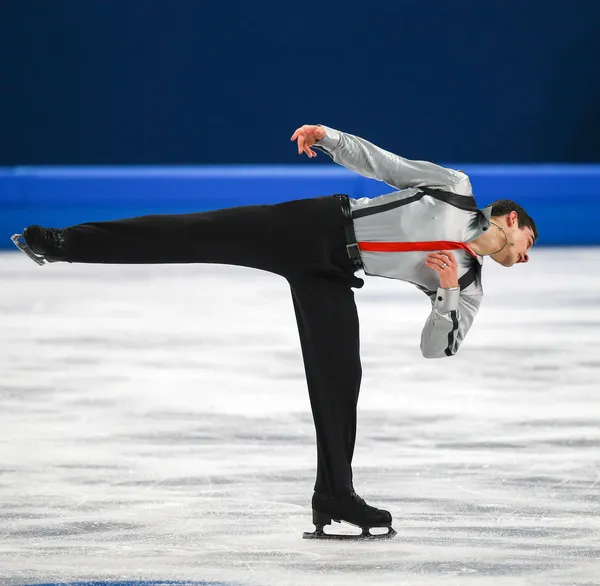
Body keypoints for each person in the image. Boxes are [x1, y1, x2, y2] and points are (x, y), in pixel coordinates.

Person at [11, 124, 538, 540]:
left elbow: (437, 348)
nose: (526, 254)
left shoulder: (468, 286)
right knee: (196, 233)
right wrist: (330, 138)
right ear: (509, 218)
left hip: (332, 275)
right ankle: (63, 243)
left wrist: (444, 291)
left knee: (340, 381)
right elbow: (386, 165)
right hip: (314, 226)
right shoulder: (456, 191)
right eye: (527, 240)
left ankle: (335, 495)